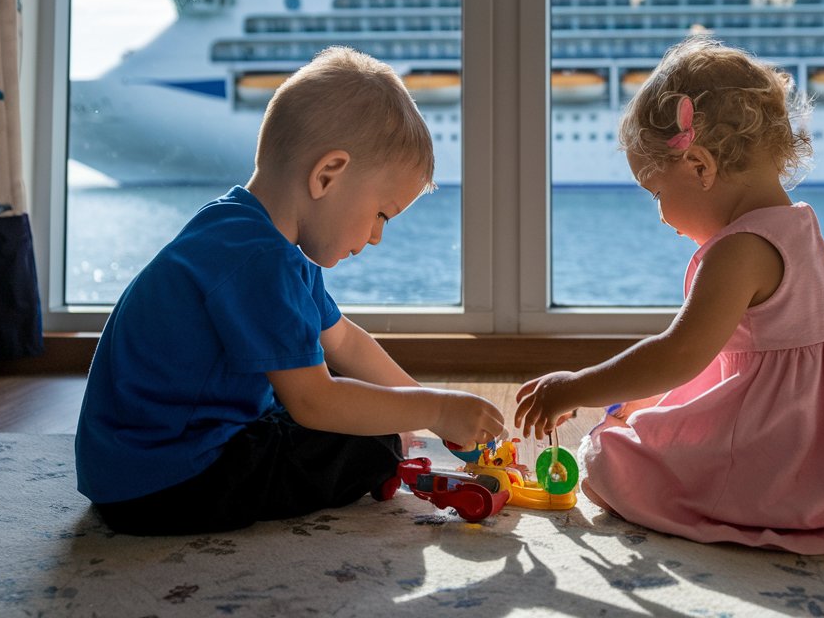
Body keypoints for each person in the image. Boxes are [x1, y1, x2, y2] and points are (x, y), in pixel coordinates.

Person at [515, 38, 824, 554]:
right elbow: (722, 352)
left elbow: (681, 354)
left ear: (699, 166)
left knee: (609, 458)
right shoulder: (799, 225)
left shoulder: (737, 252)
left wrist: (578, 387)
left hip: (780, 451)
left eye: (656, 194)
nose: (660, 214)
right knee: (639, 424)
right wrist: (642, 397)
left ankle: (762, 499)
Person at [76, 46, 505, 535]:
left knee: (371, 419)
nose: (375, 237)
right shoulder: (261, 262)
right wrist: (436, 410)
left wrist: (431, 406)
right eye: (381, 215)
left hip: (131, 469)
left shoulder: (241, 228)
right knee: (373, 440)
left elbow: (343, 341)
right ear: (327, 175)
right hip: (168, 483)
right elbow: (315, 402)